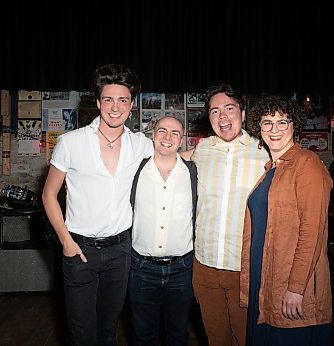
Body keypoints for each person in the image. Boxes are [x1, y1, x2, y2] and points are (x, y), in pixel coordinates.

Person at [42, 63, 153, 345]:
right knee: (82, 334)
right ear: (97, 102)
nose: (115, 107)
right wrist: (66, 242)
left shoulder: (141, 144)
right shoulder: (71, 142)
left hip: (120, 252)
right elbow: (48, 195)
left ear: (132, 104)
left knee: (107, 330)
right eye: (108, 99)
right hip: (80, 251)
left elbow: (175, 157)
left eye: (123, 100)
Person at [180, 84, 269, 345]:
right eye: (215, 111)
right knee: (215, 338)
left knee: (245, 339)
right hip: (204, 266)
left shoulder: (263, 152)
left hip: (243, 267)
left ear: (243, 113)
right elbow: (166, 163)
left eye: (229, 109)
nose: (222, 117)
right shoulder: (202, 150)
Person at [240, 95, 333, 345]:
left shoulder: (307, 164)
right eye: (267, 123)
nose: (274, 129)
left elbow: (312, 233)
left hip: (289, 282)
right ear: (259, 129)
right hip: (266, 277)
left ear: (295, 125)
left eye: (283, 122)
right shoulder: (272, 168)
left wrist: (296, 288)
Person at [128, 116, 197, 346]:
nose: (167, 137)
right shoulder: (134, 169)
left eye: (175, 133)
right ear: (153, 134)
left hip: (182, 269)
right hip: (141, 269)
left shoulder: (194, 172)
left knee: (178, 335)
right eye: (162, 131)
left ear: (182, 139)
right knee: (142, 336)